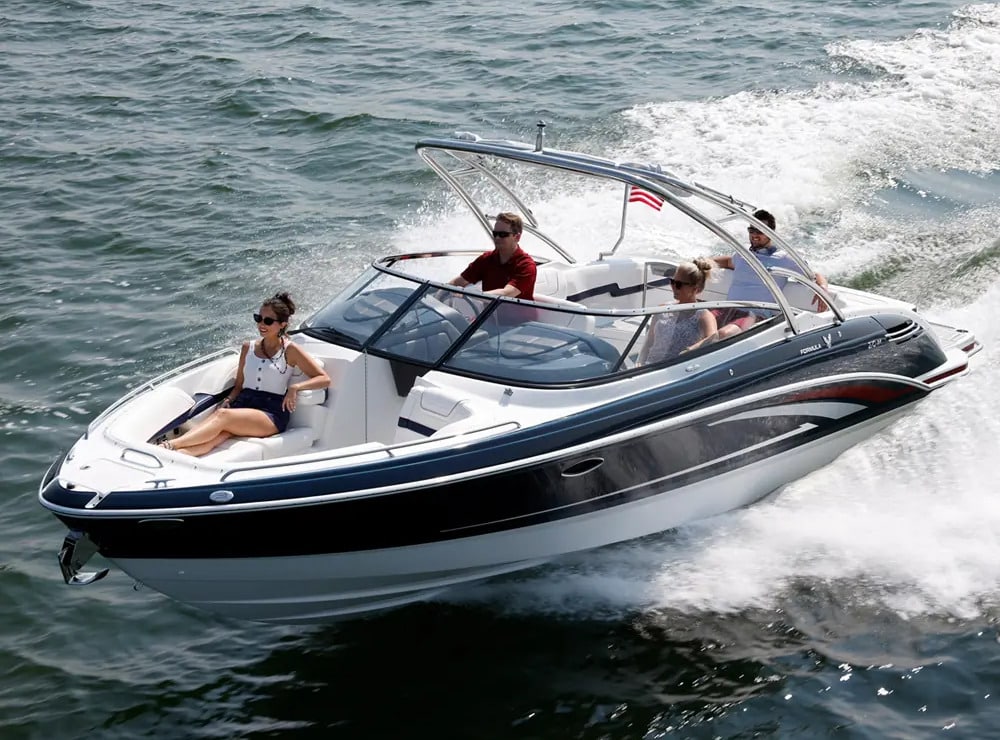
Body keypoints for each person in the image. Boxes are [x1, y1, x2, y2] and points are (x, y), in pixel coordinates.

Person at [158, 292, 330, 457]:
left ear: (282, 324)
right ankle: (179, 455)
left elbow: (323, 378)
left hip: (270, 413)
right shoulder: (248, 348)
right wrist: (228, 400)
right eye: (258, 318)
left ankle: (170, 445)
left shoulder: (290, 350)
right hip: (243, 402)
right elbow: (240, 385)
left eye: (268, 321)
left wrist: (296, 387)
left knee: (223, 417)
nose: (261, 324)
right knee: (220, 435)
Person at [712, 209, 829, 339]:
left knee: (723, 334)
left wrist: (822, 288)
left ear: (771, 233)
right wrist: (701, 262)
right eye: (752, 231)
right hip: (727, 309)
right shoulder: (743, 254)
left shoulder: (784, 259)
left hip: (754, 315)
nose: (754, 235)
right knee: (697, 322)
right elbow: (728, 262)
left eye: (760, 231)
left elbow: (813, 275)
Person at [637, 258, 718, 365]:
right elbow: (649, 342)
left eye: (679, 284)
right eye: (673, 282)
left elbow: (713, 338)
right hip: (649, 367)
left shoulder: (703, 315)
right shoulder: (662, 309)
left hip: (676, 369)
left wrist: (689, 351)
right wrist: (639, 363)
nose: (674, 287)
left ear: (695, 289)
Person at [448, 212, 536, 300]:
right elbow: (457, 282)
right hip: (489, 313)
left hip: (517, 314)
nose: (497, 238)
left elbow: (507, 293)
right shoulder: (486, 259)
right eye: (495, 234)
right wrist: (440, 296)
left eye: (502, 234)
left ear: (517, 237)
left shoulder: (526, 266)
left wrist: (470, 295)